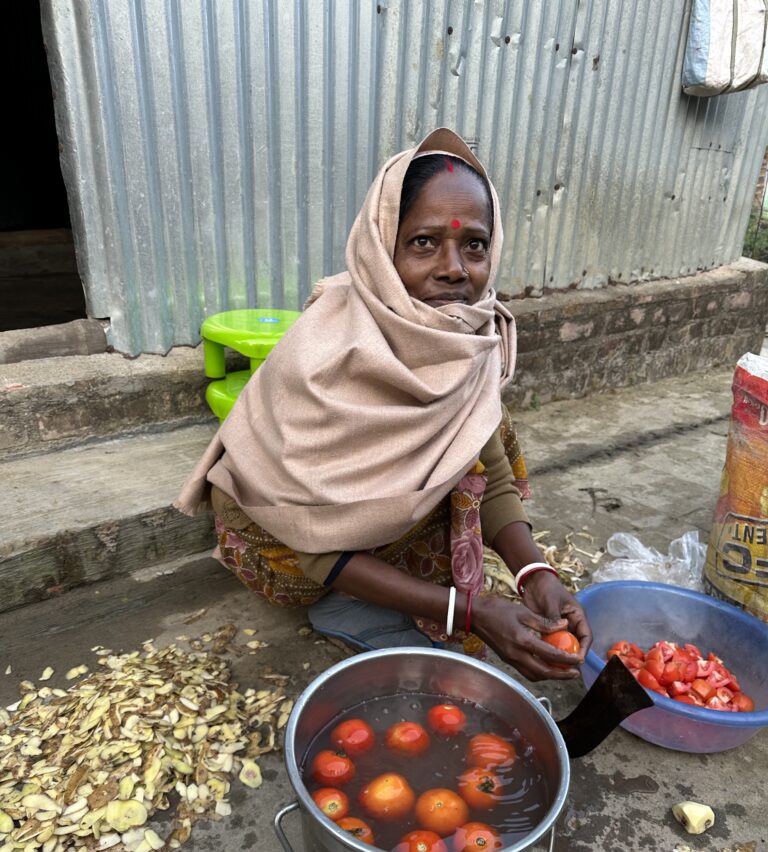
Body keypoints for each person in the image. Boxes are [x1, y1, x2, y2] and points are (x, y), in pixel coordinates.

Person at [177, 128, 591, 681]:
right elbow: (317, 544)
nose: (454, 268)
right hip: (286, 547)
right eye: (424, 242)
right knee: (431, 483)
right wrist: (469, 612)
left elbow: (487, 472)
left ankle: (394, 588)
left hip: (350, 533)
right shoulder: (326, 359)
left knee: (482, 423)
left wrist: (535, 572)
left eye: (474, 244)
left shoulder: (466, 335)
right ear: (381, 247)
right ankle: (346, 604)